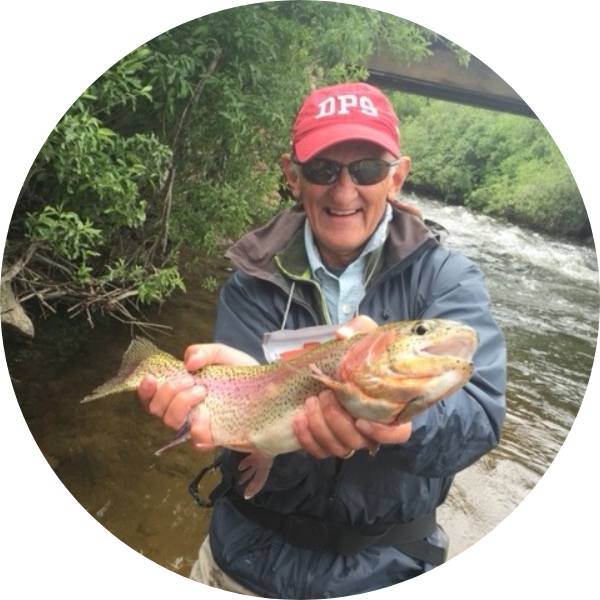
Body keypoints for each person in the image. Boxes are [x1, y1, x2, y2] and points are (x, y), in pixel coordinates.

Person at [137, 81, 506, 596]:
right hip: (244, 564)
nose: (344, 190)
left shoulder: (448, 279)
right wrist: (225, 419)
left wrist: (399, 427)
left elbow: (481, 418)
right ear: (293, 176)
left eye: (368, 169)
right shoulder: (250, 280)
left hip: (387, 569)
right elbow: (238, 444)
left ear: (397, 176)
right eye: (323, 169)